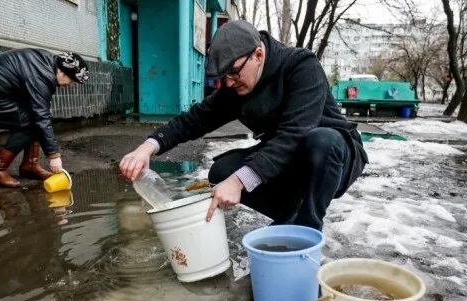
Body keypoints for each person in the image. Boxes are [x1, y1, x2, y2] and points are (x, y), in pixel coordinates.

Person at [120, 20, 369, 231]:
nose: (228, 83)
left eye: (233, 73)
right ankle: (289, 217)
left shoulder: (301, 66)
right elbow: (194, 120)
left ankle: (307, 229)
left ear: (258, 55)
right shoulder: (237, 87)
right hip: (288, 161)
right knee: (221, 172)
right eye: (222, 77)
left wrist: (240, 182)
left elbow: (294, 134)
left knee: (321, 141)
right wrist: (148, 147)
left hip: (334, 158)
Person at [0, 49, 89, 187]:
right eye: (72, 80)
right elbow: (41, 116)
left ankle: (30, 166)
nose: (71, 85)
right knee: (30, 121)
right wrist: (54, 156)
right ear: (62, 71)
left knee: (33, 118)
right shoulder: (43, 75)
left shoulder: (47, 63)